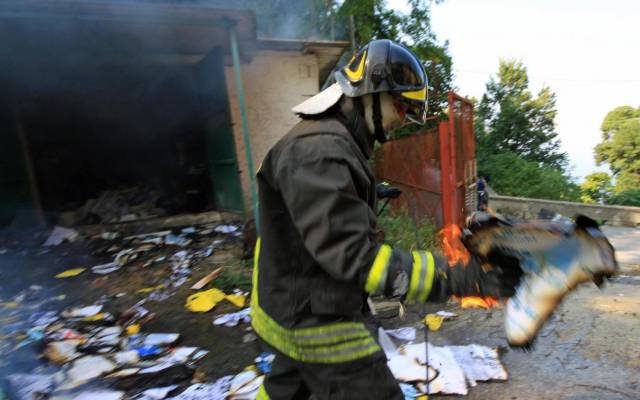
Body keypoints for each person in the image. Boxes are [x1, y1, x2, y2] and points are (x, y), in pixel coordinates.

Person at [252, 39, 522, 400]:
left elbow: (317, 213)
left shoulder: (333, 142)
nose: (402, 121)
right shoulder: (319, 151)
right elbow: (359, 260)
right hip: (316, 322)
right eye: (401, 106)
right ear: (369, 93)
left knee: (285, 391)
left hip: (293, 303)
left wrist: (371, 192)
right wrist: (461, 277)